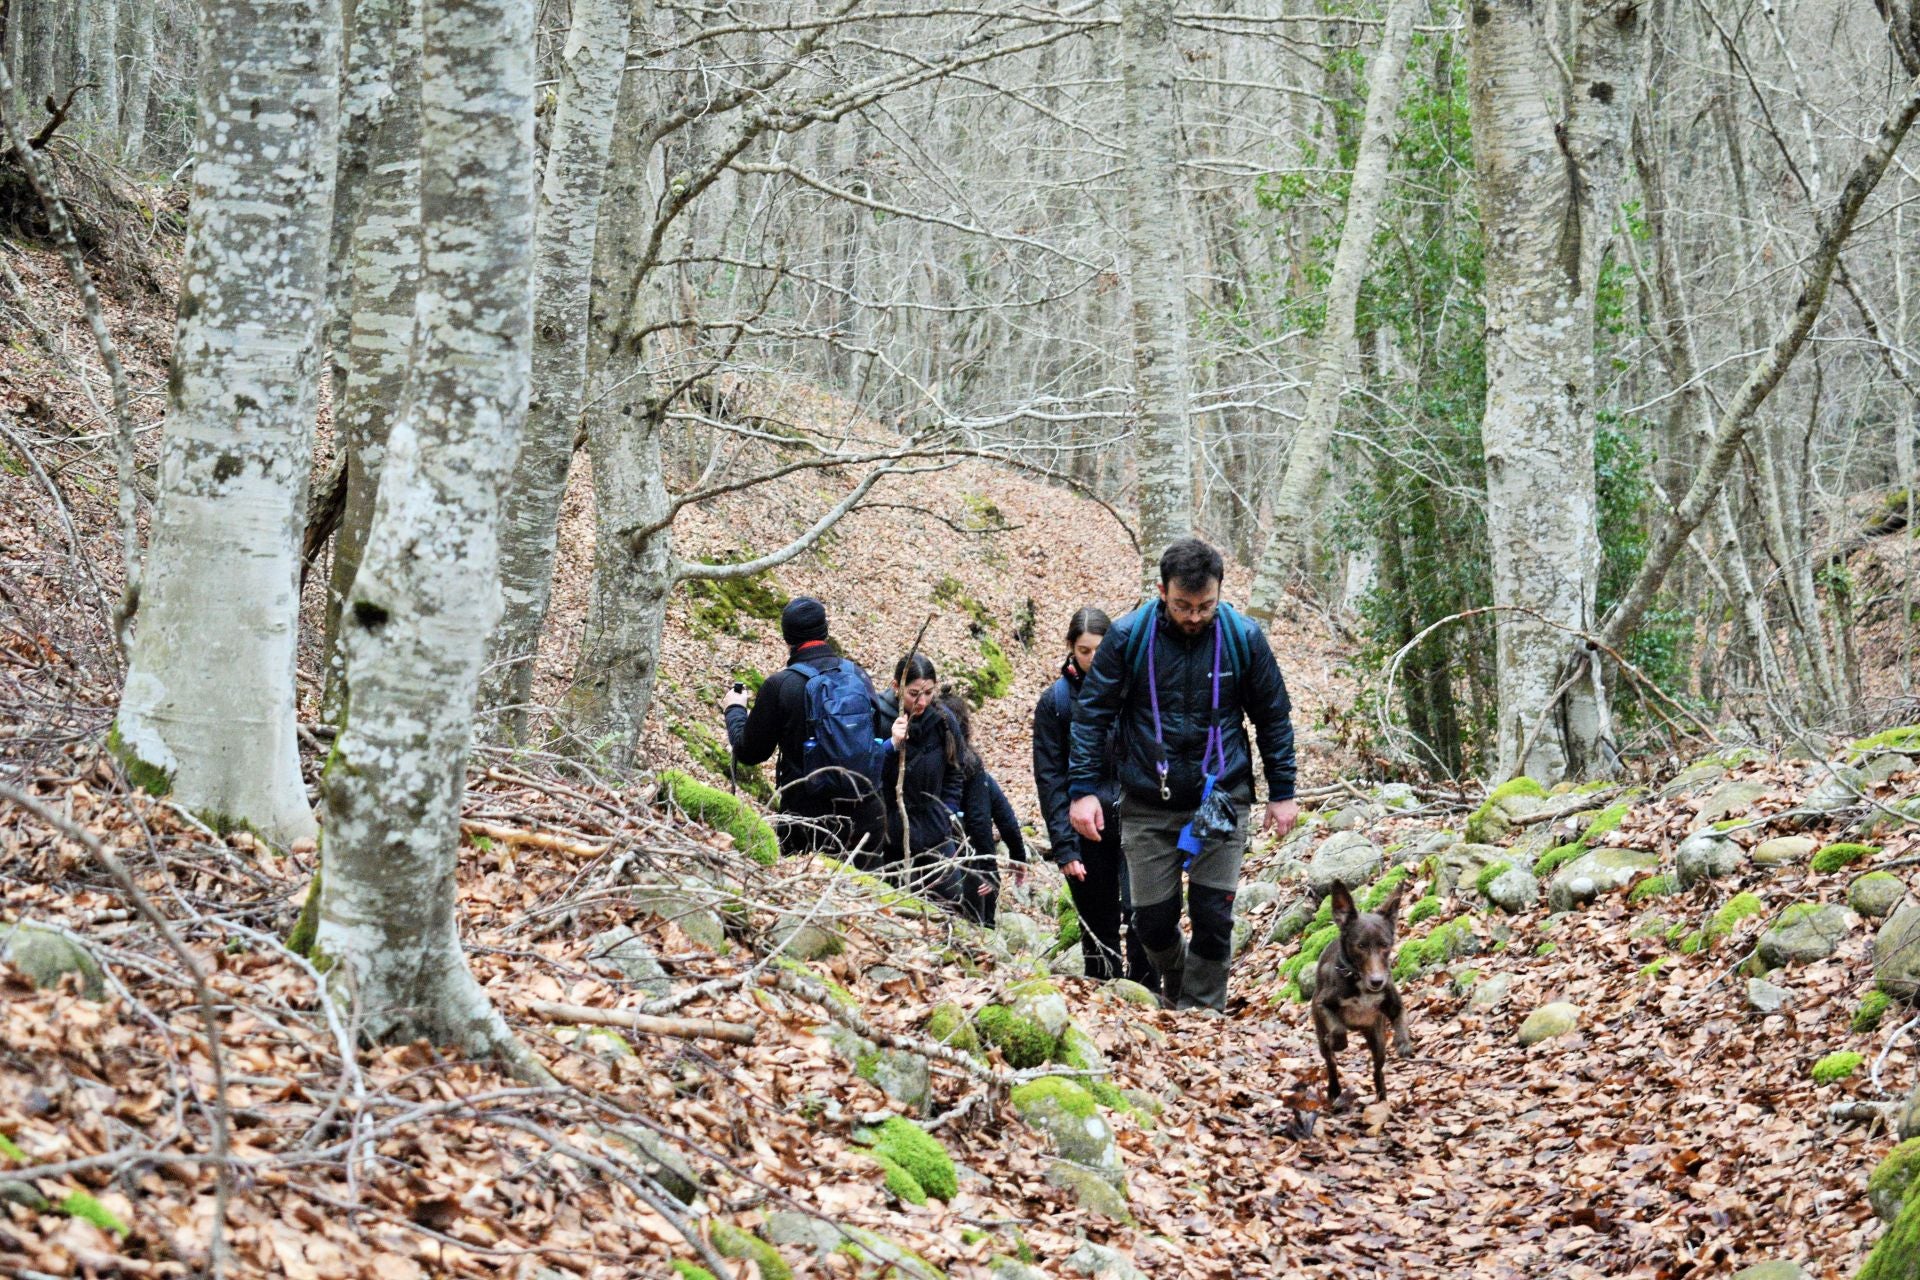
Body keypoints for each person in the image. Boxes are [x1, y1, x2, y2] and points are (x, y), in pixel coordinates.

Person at [1067, 538, 1299, 1012]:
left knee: (1214, 916)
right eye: (1182, 606)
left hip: (1222, 795)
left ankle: (1203, 1014)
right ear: (1160, 591)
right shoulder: (1129, 638)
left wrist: (1283, 791)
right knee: (1151, 920)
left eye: (1205, 606)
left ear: (1220, 594)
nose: (1194, 616)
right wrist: (1082, 791)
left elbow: (1273, 718)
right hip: (1148, 798)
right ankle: (1178, 983)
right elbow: (1091, 716)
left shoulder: (1243, 638)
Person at [1032, 607, 1156, 989]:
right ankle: (1104, 999)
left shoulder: (1133, 691)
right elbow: (1049, 779)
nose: (1092, 659)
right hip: (1085, 829)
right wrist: (1064, 847)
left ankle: (1146, 994)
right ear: (1071, 648)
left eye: (1100, 650)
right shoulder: (1056, 703)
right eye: (1085, 651)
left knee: (1143, 913)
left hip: (1137, 818)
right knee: (1098, 924)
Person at [722, 597, 885, 861]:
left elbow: (750, 752)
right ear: (826, 631)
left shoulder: (781, 686)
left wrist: (735, 710)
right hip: (865, 816)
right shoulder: (857, 675)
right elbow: (876, 734)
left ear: (787, 637)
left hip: (807, 822)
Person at [872, 653, 968, 902]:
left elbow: (955, 770)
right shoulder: (877, 716)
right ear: (896, 686)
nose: (922, 701)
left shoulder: (944, 721)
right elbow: (864, 772)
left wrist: (947, 812)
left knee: (952, 904)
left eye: (928, 693)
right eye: (914, 693)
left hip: (935, 832)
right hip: (890, 836)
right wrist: (891, 745)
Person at [939, 690, 1028, 927]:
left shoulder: (929, 759)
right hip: (972, 869)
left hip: (935, 859)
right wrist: (997, 867)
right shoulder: (972, 767)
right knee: (980, 930)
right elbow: (990, 819)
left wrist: (1018, 856)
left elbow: (1003, 814)